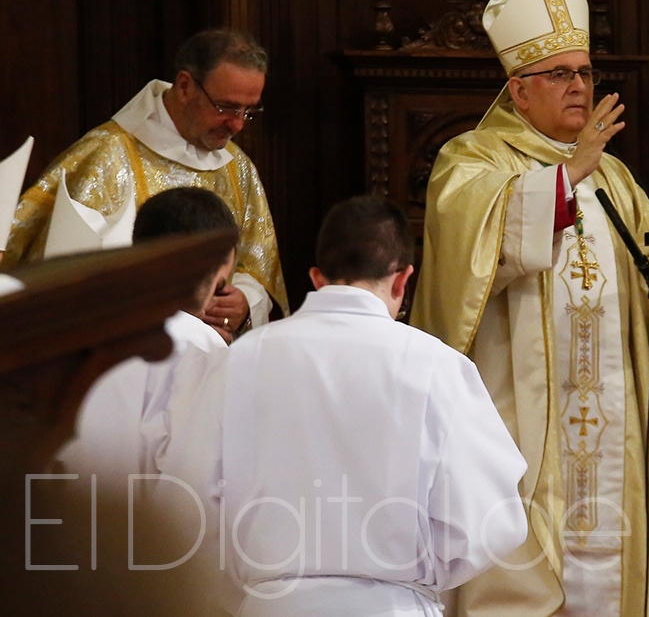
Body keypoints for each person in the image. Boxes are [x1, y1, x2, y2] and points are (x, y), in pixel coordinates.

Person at [410, 0, 649, 617]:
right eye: (560, 74)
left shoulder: (617, 180)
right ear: (519, 91)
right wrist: (567, 175)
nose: (579, 86)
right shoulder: (473, 158)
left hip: (616, 443)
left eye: (585, 72)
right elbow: (465, 253)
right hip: (518, 434)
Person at [167, 195, 528, 616]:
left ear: (317, 278)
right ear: (402, 280)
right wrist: (422, 576)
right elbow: (493, 522)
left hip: (270, 606)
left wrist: (256, 588)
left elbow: (185, 499)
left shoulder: (242, 359)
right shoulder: (439, 366)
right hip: (392, 606)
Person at [2, 28, 287, 339]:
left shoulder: (237, 167)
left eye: (249, 110)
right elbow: (61, 272)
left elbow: (258, 263)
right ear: (185, 86)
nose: (238, 124)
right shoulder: (105, 157)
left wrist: (244, 301)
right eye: (226, 107)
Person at [56, 186, 236, 491]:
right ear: (218, 259)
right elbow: (190, 480)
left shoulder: (63, 326)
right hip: (133, 518)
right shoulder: (200, 345)